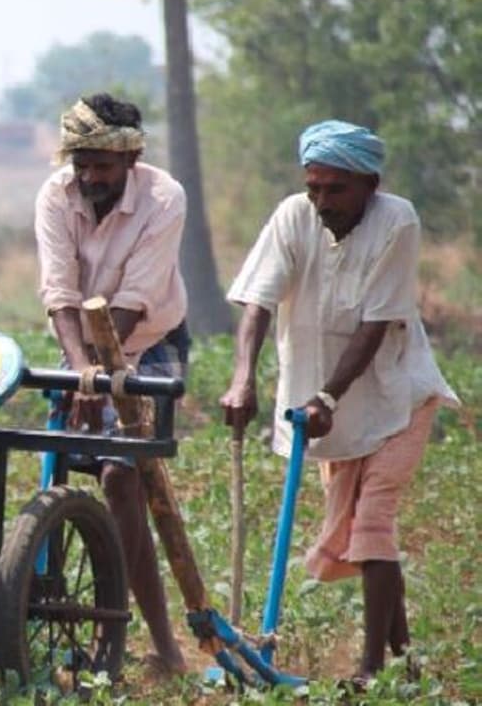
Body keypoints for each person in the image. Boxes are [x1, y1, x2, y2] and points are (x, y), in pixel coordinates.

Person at [221, 120, 459, 686]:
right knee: (358, 528)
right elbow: (257, 304)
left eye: (336, 190)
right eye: (314, 188)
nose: (322, 201)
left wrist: (329, 393)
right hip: (322, 411)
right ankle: (405, 664)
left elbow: (378, 322)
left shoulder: (396, 220)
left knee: (372, 523)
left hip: (396, 396)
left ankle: (371, 669)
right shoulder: (292, 217)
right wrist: (242, 380)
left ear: (369, 183)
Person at [34, 93, 190, 675]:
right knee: (59, 467)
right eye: (81, 164)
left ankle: (163, 645)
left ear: (132, 157)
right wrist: (82, 372)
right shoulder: (56, 195)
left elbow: (133, 301)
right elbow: (59, 291)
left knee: (122, 479)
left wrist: (101, 374)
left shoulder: (164, 197)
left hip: (150, 339)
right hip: (78, 345)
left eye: (101, 165)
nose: (89, 176)